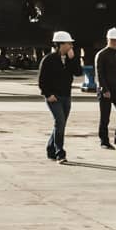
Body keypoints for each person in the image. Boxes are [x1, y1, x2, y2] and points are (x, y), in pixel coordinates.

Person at [38, 30, 79, 163]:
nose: (71, 46)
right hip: (53, 97)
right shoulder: (49, 59)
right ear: (61, 44)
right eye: (69, 44)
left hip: (66, 96)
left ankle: (51, 149)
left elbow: (78, 72)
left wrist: (73, 59)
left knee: (60, 124)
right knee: (60, 122)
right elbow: (42, 80)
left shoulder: (69, 59)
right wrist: (48, 94)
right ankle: (60, 153)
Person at [94, 28, 116, 150]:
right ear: (108, 40)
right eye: (113, 40)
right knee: (105, 117)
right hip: (105, 90)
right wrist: (104, 89)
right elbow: (99, 74)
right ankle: (104, 140)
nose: (115, 42)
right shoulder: (101, 54)